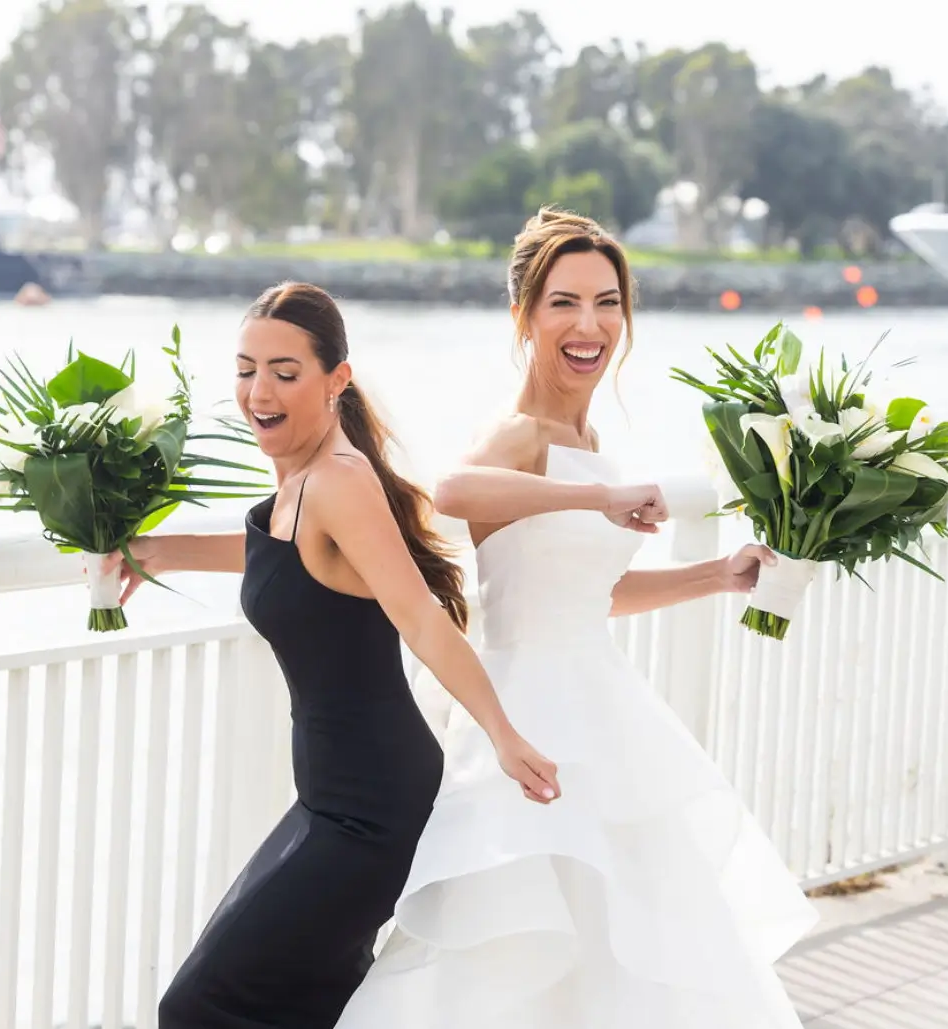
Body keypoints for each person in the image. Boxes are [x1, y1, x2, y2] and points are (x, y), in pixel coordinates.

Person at [334, 209, 819, 1029]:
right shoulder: (518, 431)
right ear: (523, 316)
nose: (588, 324)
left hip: (603, 712)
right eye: (563, 302)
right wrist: (596, 495)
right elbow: (452, 492)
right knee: (517, 948)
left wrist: (716, 574)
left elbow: (587, 595)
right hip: (530, 718)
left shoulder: (583, 432)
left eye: (606, 301)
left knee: (627, 946)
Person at [104, 281, 561, 1029]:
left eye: (286, 372)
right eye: (247, 368)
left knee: (200, 1004)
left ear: (335, 379)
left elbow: (418, 614)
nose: (260, 390)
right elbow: (283, 556)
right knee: (309, 1002)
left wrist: (502, 734)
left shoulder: (339, 480)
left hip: (372, 806)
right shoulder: (303, 480)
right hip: (331, 796)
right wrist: (158, 550)